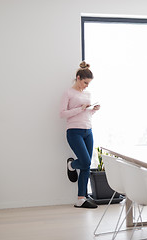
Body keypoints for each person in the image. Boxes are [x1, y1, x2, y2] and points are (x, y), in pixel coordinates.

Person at [60, 61, 100, 208]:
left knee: (86, 166)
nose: (86, 86)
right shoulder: (68, 93)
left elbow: (86, 113)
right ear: (78, 78)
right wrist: (80, 109)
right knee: (85, 161)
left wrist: (93, 109)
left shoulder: (88, 94)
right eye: (85, 82)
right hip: (74, 131)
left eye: (88, 83)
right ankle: (71, 164)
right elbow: (62, 113)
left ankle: (81, 199)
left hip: (88, 130)